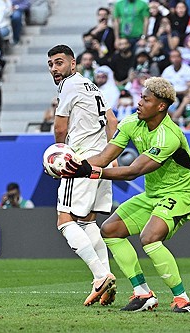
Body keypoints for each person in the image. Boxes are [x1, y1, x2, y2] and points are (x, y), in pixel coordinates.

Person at [61, 77, 190, 313]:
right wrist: (74, 166)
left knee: (150, 237)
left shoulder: (169, 136)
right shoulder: (130, 123)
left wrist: (93, 172)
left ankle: (182, 299)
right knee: (110, 230)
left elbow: (134, 171)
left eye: (146, 99)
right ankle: (143, 293)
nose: (139, 103)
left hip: (183, 193)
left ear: (161, 106)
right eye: (141, 97)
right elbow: (104, 157)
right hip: (153, 194)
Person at [47, 44, 119, 307]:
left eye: (59, 63)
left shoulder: (69, 85)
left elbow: (60, 128)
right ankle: (106, 276)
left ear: (73, 64)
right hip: (103, 159)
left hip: (80, 159)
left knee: (65, 221)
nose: (55, 69)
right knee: (88, 222)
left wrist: (58, 158)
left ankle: (100, 276)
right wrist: (110, 156)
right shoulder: (92, 86)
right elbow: (113, 122)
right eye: (51, 65)